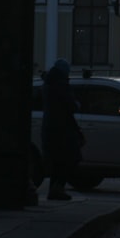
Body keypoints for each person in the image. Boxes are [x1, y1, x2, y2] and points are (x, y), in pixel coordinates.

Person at [41, 58, 83, 200]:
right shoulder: (61, 85)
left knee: (57, 160)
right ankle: (58, 188)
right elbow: (70, 105)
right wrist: (76, 104)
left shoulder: (49, 83)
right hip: (63, 129)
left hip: (51, 127)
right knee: (69, 158)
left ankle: (55, 189)